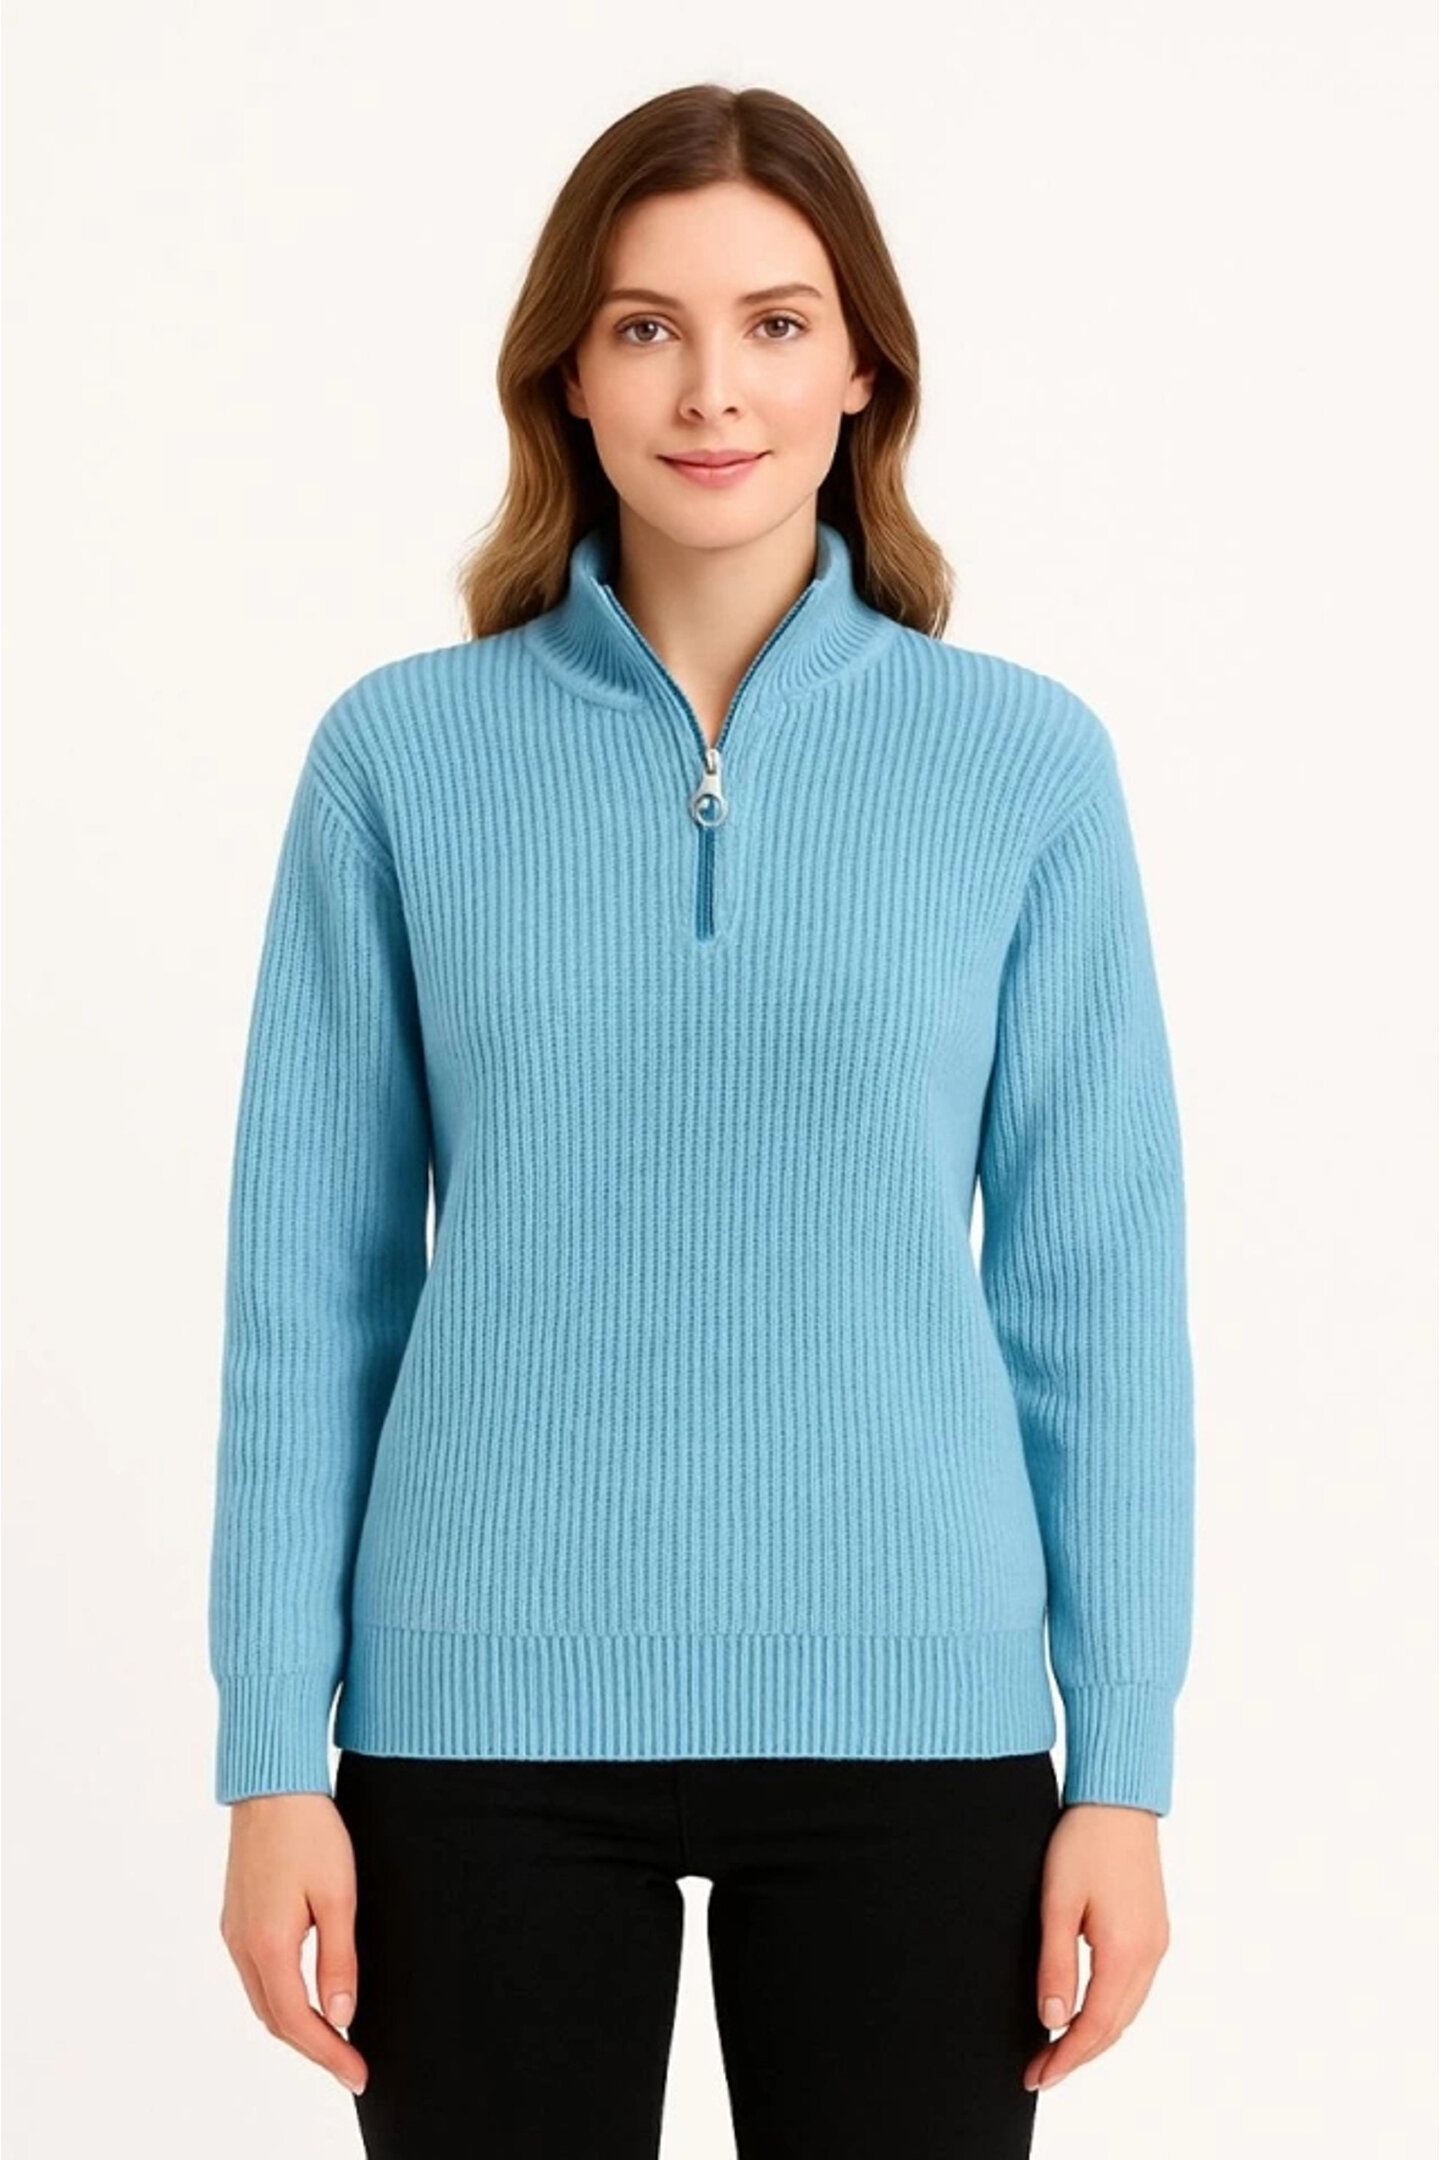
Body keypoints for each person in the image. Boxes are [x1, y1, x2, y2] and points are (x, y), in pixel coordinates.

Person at [208, 81, 1195, 2159]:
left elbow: (1095, 1305)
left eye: (775, 322)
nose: (712, 388)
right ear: (568, 373)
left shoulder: (1022, 769)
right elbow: (311, 1295)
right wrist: (269, 1753)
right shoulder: (401, 760)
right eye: (647, 325)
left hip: (919, 1726)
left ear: (863, 371)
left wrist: (1122, 1765)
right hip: (473, 1726)